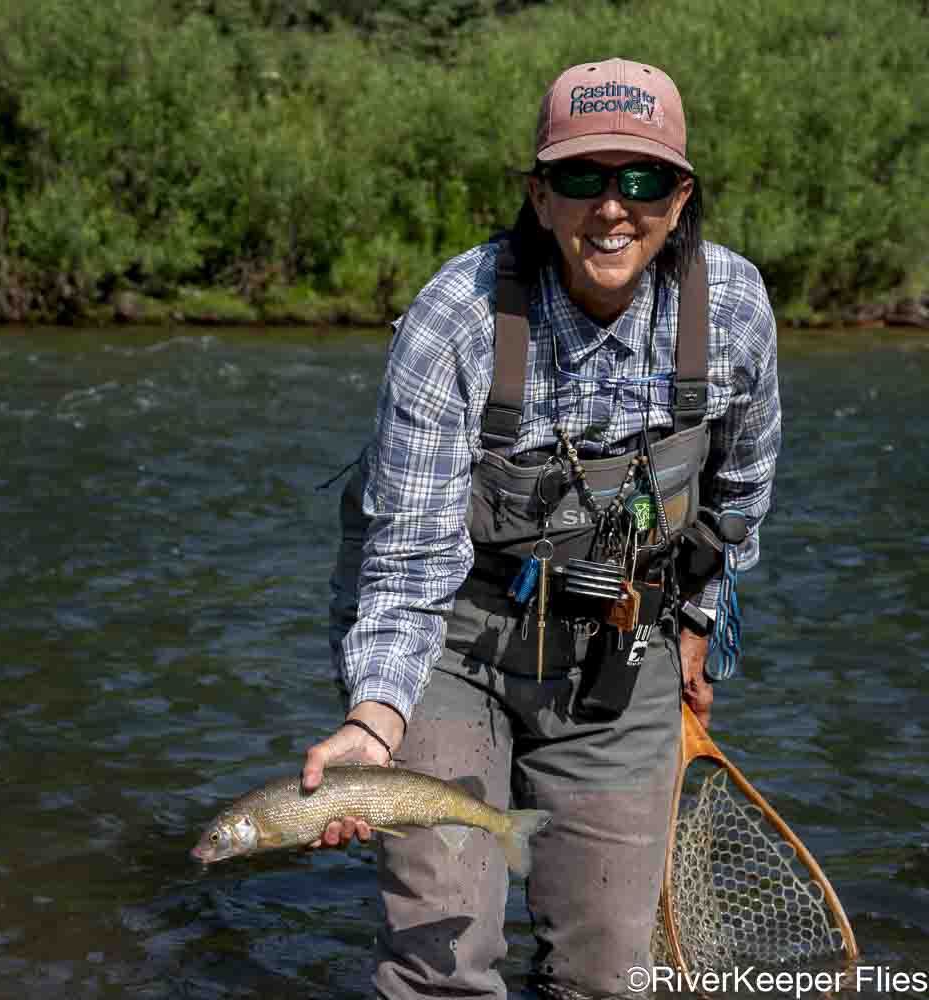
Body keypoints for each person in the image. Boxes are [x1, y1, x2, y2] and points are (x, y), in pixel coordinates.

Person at [304, 57, 781, 999]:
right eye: (580, 178)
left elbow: (740, 491)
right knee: (440, 959)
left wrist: (695, 622)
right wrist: (374, 718)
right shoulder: (455, 319)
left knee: (608, 972)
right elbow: (405, 562)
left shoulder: (732, 309)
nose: (612, 208)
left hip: (620, 646)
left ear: (680, 198)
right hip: (451, 642)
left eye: (641, 180)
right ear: (537, 193)